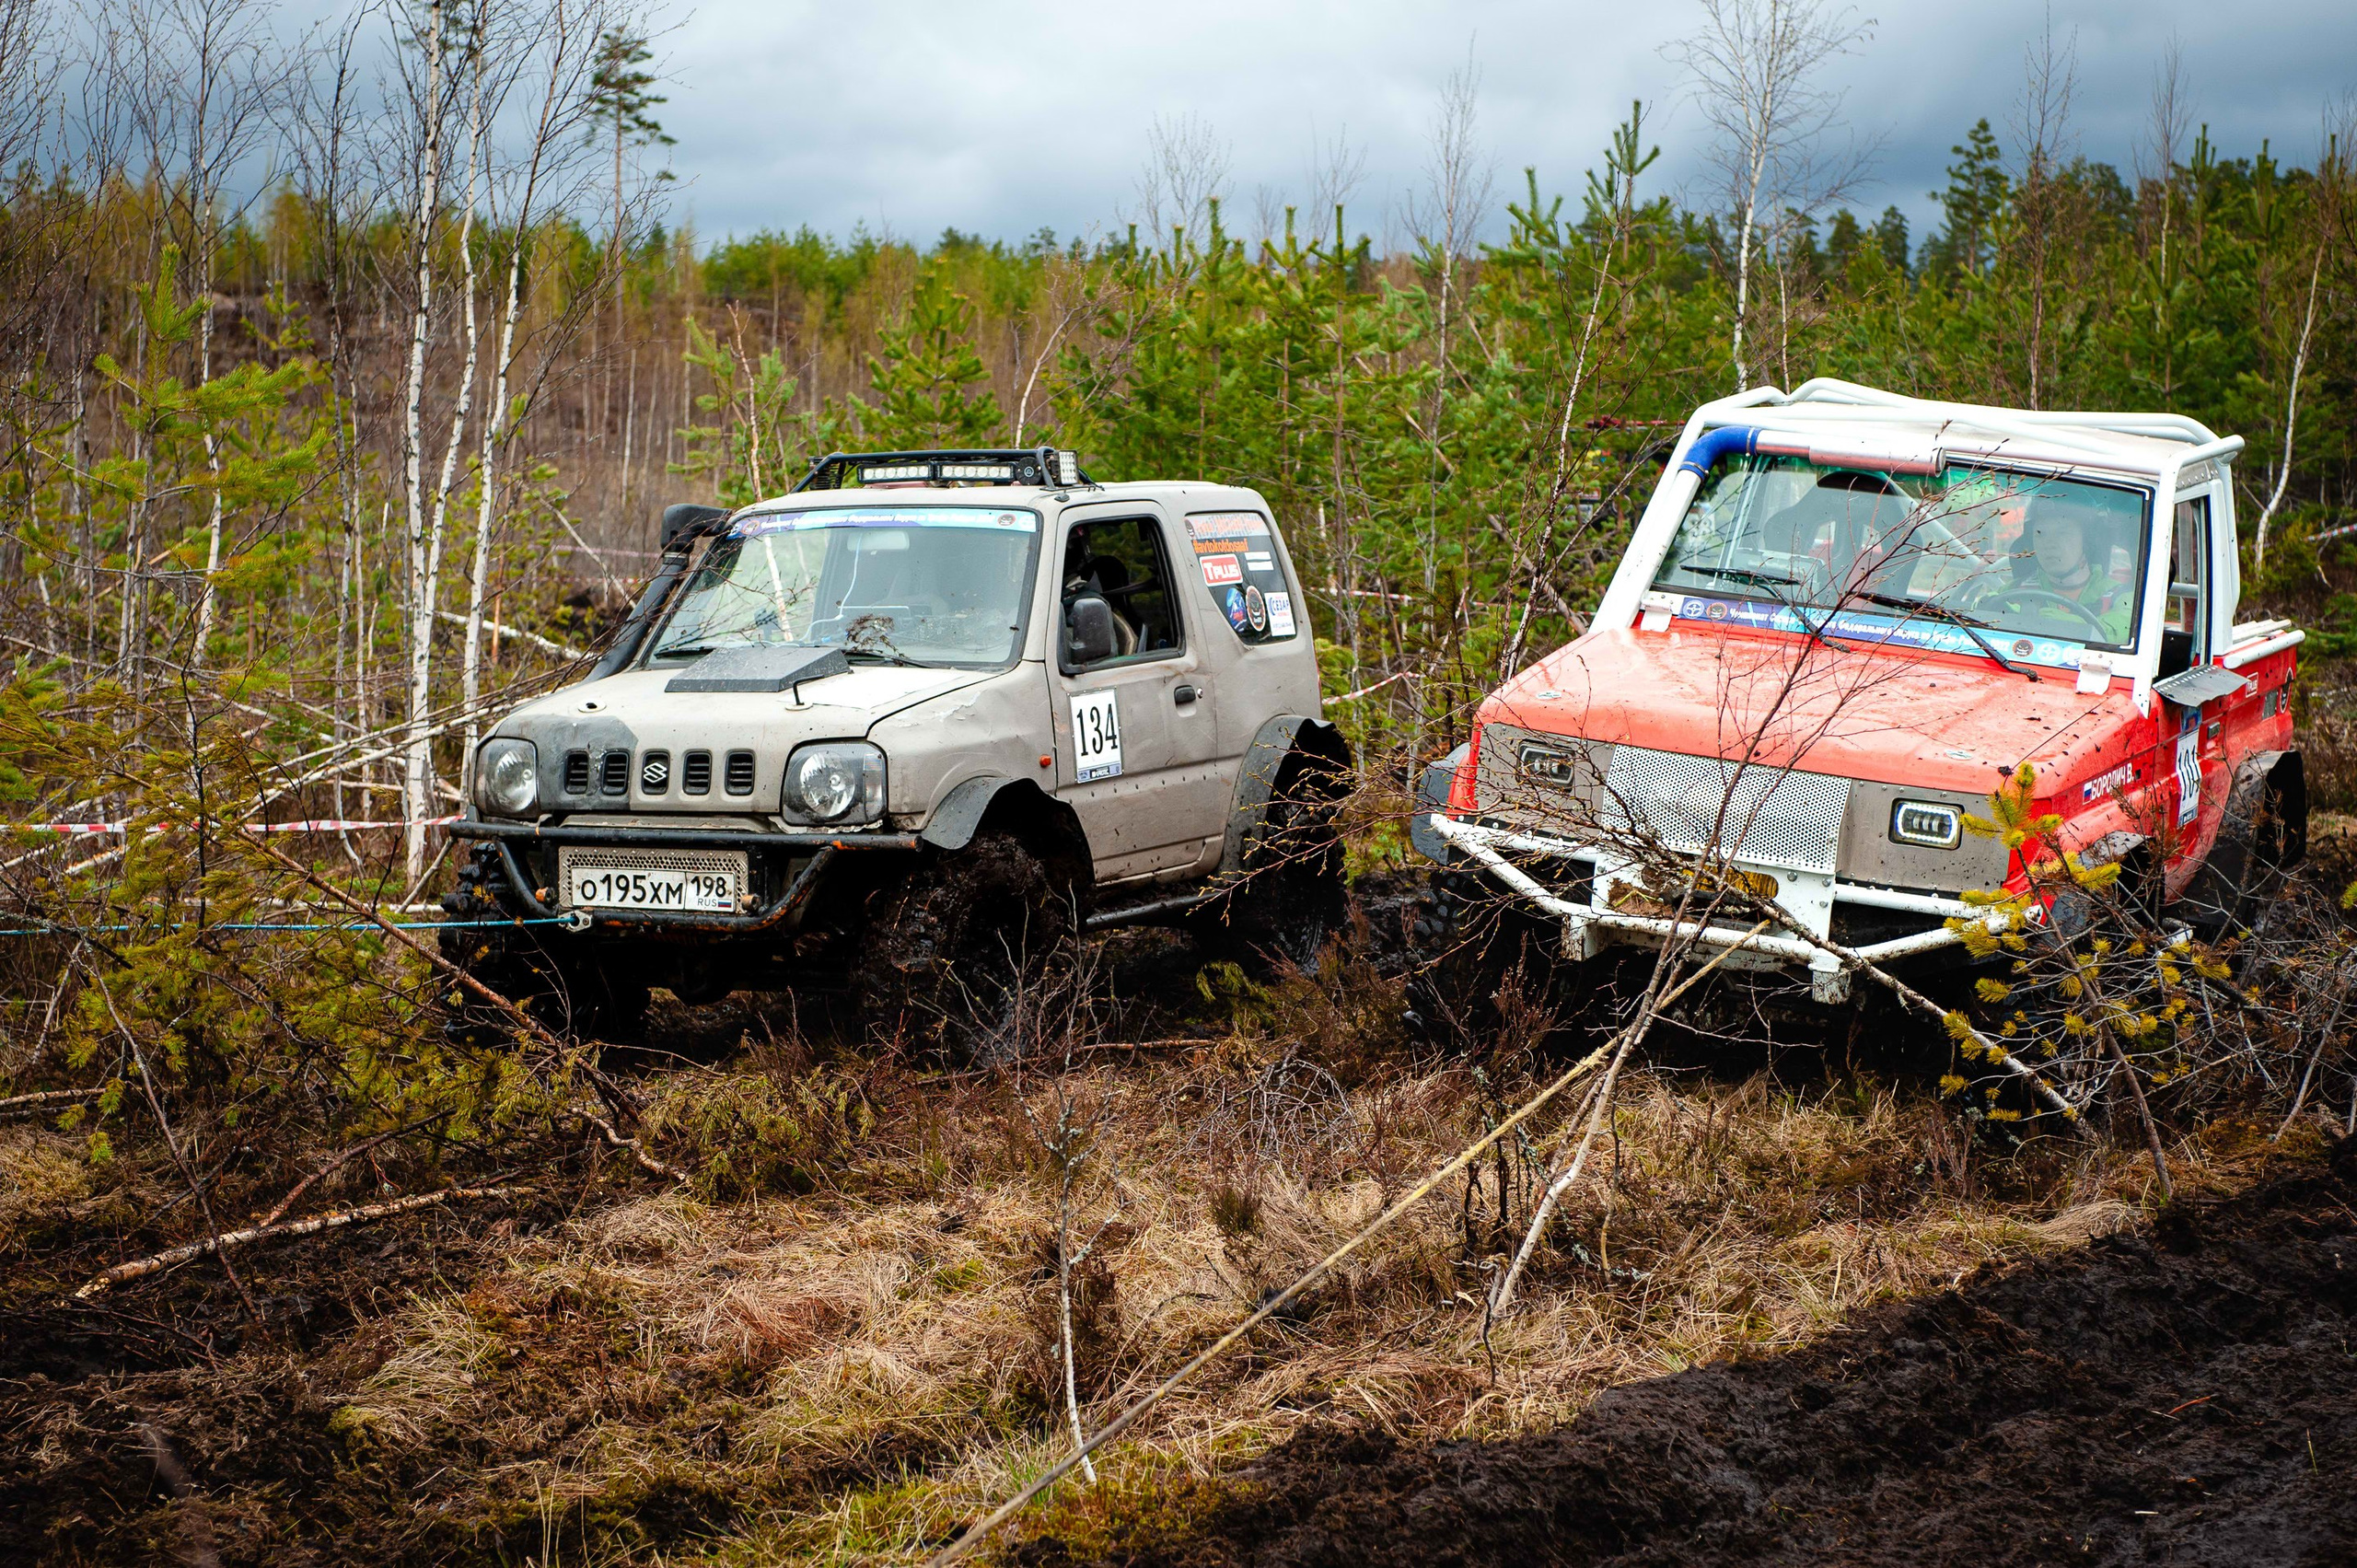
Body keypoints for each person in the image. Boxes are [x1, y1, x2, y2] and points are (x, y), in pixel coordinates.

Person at [2005, 498, 2133, 644]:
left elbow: (2117, 631)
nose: (2049, 544)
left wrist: (2060, 623)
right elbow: (1976, 616)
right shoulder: (2013, 590)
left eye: (2063, 533)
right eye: (2040, 534)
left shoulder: (2120, 596)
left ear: (2087, 542)